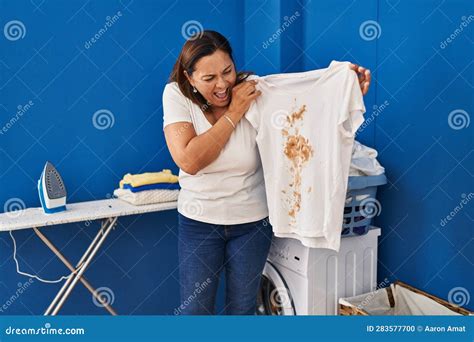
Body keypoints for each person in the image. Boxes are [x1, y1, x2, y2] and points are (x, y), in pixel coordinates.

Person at [162, 30, 371, 315]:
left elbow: (307, 106)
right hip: (199, 221)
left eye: (227, 71)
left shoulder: (253, 91)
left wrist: (344, 91)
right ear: (190, 79)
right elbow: (190, 160)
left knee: (244, 309)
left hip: (251, 223)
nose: (223, 84)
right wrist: (234, 112)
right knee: (195, 312)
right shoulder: (176, 95)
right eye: (209, 78)